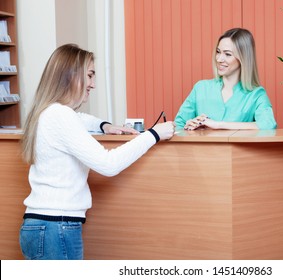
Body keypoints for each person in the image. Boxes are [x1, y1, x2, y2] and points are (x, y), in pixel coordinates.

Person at [19, 44, 175, 260]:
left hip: (43, 226)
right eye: (90, 75)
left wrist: (105, 126)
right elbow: (108, 164)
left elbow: (81, 119)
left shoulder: (48, 112)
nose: (93, 84)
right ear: (71, 76)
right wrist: (154, 135)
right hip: (57, 228)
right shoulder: (61, 116)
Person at [174, 28, 277, 130]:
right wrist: (188, 128)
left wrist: (218, 125)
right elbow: (178, 125)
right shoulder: (200, 88)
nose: (219, 59)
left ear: (243, 58)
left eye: (227, 54)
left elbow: (268, 125)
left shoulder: (256, 94)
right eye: (218, 52)